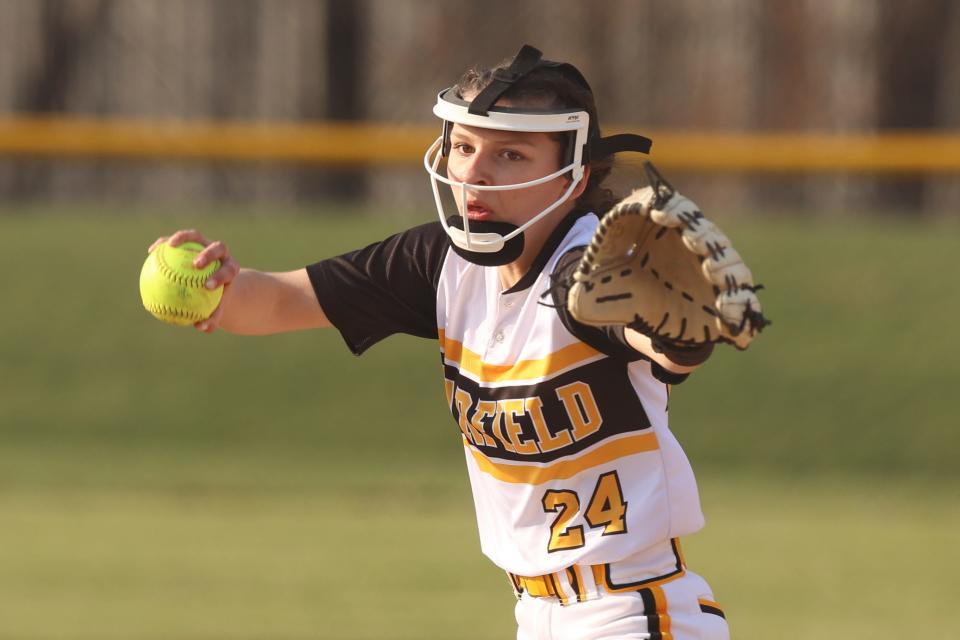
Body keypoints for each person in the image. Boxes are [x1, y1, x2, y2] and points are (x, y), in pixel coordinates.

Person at [151, 45, 730, 640]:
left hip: (632, 613)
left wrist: (678, 329)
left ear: (574, 175)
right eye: (463, 146)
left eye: (509, 153)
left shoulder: (588, 268)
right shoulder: (443, 263)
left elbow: (661, 341)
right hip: (538, 618)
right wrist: (219, 287)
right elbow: (279, 300)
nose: (474, 173)